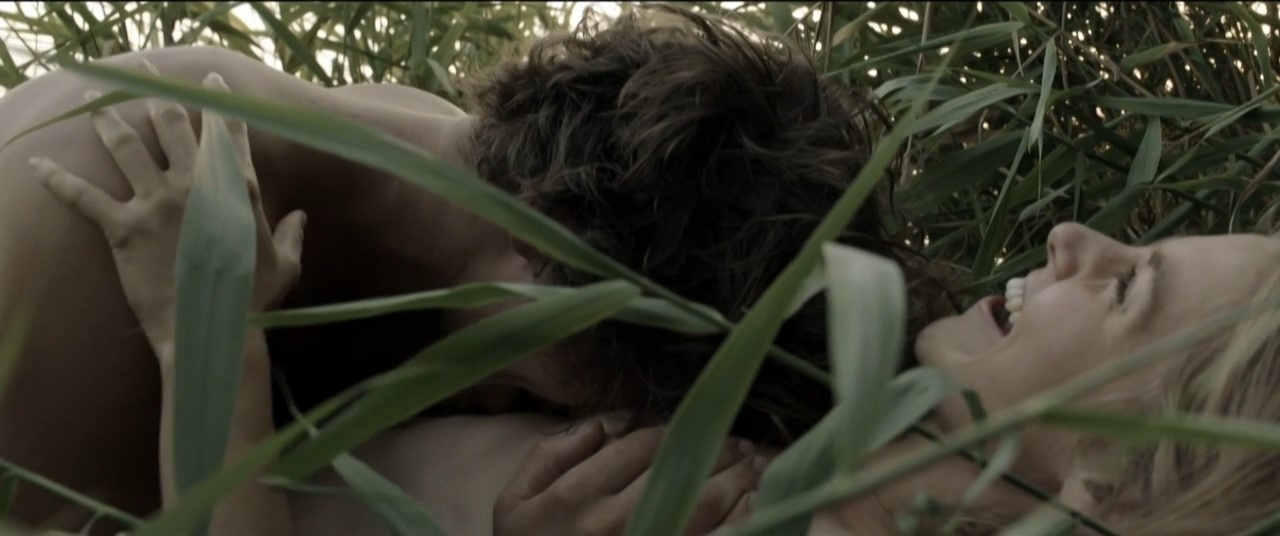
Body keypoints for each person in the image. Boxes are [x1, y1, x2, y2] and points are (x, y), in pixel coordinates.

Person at [37, 83, 1280, 534]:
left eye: (1127, 287)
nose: (1073, 237)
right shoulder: (828, 450)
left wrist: (209, 332)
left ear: (1119, 485)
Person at [0, 5, 915, 532]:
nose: (539, 422)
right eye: (568, 394)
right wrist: (210, 347)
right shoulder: (104, 217)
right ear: (550, 250)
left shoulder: (423, 179)